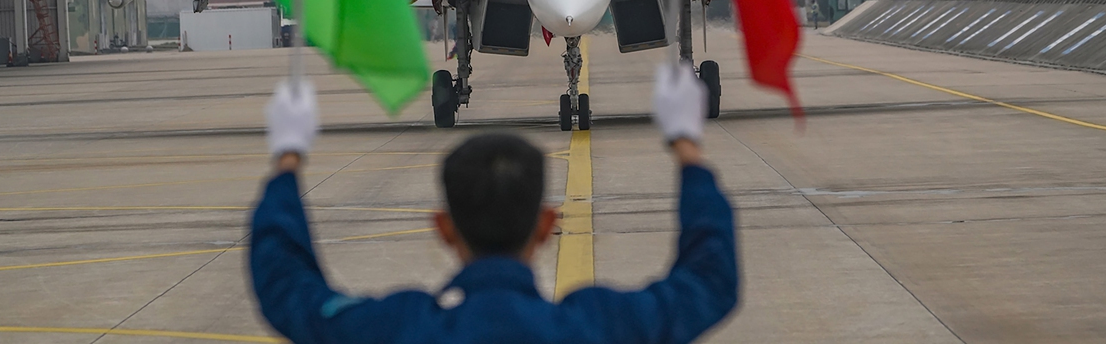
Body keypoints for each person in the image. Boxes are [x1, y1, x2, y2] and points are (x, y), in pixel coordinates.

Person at [250, 65, 739, 343]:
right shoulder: (598, 327)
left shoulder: (399, 329)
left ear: (443, 226)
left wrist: (288, 155)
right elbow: (709, 280)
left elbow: (287, 289)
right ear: (548, 224)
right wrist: (685, 144)